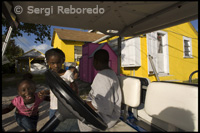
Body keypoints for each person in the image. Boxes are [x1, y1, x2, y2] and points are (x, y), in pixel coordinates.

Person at [78, 49, 122, 131]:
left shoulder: (103, 77)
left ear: (96, 61)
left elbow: (103, 106)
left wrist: (85, 105)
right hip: (107, 115)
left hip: (106, 119)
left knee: (79, 117)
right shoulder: (109, 73)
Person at [38, 48, 79, 119]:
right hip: (53, 107)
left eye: (58, 62)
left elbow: (75, 90)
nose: (56, 66)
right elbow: (54, 90)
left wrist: (74, 101)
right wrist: (45, 93)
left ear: (63, 61)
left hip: (66, 107)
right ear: (48, 62)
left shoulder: (68, 74)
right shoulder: (50, 75)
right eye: (53, 63)